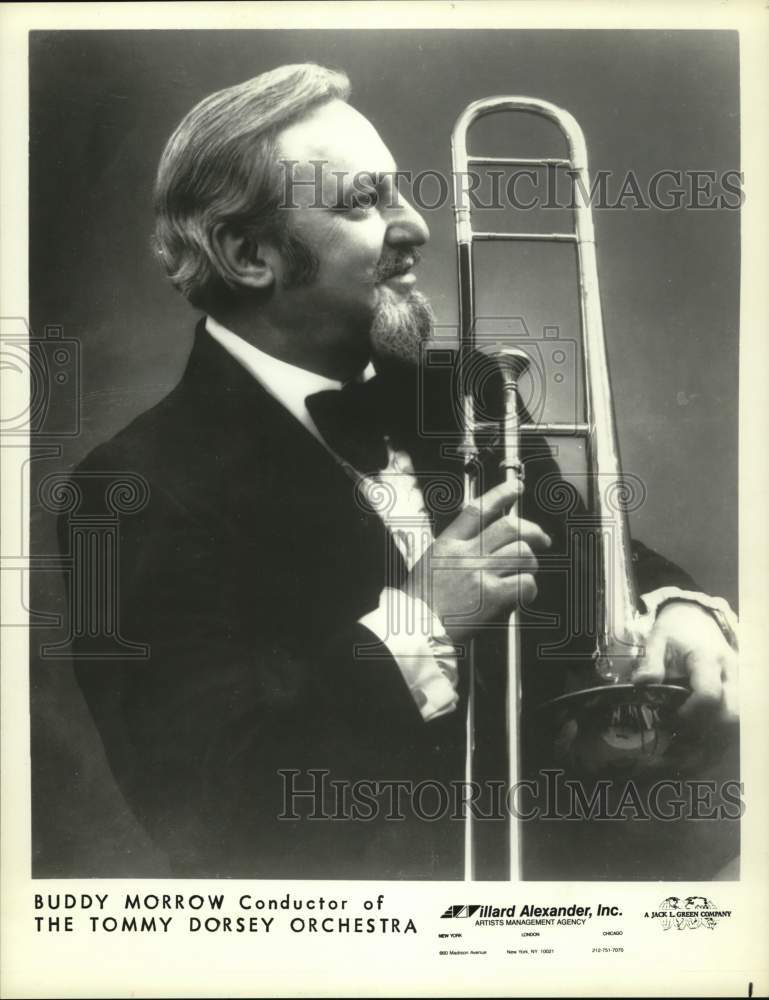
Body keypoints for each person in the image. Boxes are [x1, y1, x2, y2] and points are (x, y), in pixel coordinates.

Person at [67, 63, 738, 879]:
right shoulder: (130, 489)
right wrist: (419, 620)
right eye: (361, 202)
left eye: (398, 192)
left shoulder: (467, 388)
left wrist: (678, 611)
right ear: (249, 254)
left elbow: (594, 569)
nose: (415, 225)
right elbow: (213, 812)